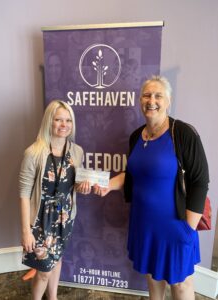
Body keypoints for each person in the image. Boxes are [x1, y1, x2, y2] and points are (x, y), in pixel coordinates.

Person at [93, 75, 209, 300]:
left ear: (168, 101)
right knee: (153, 276)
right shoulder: (137, 135)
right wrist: (108, 185)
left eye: (158, 95)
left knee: (181, 283)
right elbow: (134, 174)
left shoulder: (183, 134)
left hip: (177, 225)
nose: (151, 100)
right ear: (140, 101)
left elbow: (200, 180)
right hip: (144, 223)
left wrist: (189, 228)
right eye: (146, 95)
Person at [19, 100, 90, 300]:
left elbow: (71, 185)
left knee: (56, 260)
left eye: (68, 120)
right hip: (40, 221)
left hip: (65, 218)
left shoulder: (76, 152)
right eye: (58, 119)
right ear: (49, 122)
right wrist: (26, 231)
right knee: (43, 271)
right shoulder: (33, 153)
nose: (64, 125)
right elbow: (24, 193)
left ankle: (53, 297)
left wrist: (81, 187)